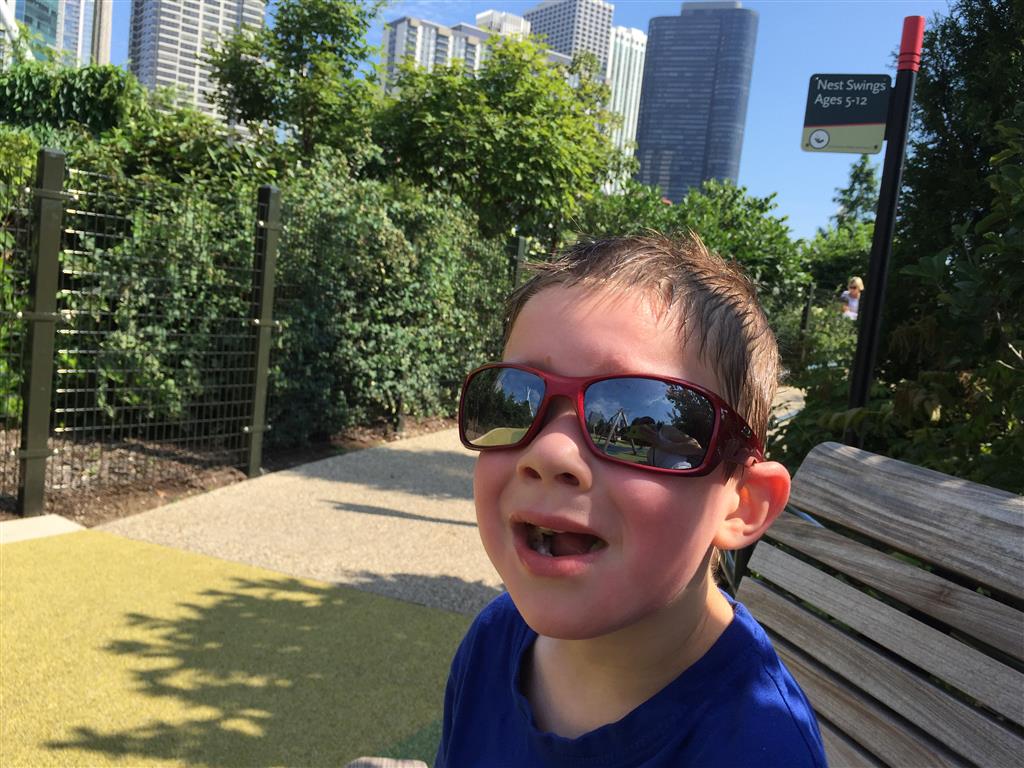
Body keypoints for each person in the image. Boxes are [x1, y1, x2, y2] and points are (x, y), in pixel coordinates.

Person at [439, 234, 827, 766]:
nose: (549, 451)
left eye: (640, 424)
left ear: (741, 503)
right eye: (516, 398)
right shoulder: (494, 636)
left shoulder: (760, 750)